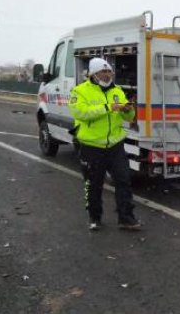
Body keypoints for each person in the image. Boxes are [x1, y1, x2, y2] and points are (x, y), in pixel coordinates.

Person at [68, 57, 140, 231]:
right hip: (91, 147)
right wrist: (108, 107)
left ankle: (126, 218)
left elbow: (128, 118)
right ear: (94, 74)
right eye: (103, 72)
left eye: (109, 72)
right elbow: (80, 113)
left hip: (115, 145)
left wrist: (129, 110)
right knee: (93, 184)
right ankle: (95, 217)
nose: (108, 75)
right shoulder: (80, 91)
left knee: (123, 181)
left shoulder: (118, 91)